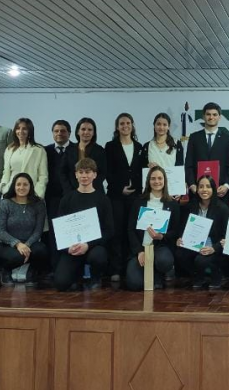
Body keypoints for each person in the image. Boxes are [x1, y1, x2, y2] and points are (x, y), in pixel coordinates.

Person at [54, 158, 114, 292]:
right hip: (72, 248)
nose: (84, 176)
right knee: (60, 284)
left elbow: (109, 231)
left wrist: (88, 245)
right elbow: (59, 230)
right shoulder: (67, 199)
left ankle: (95, 277)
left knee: (99, 256)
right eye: (80, 172)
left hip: (93, 248)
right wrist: (68, 248)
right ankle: (77, 275)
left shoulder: (103, 200)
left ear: (95, 175)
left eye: (88, 172)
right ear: (75, 175)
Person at [125, 166, 181, 291]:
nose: (157, 182)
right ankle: (146, 271)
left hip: (160, 247)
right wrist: (139, 251)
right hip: (141, 248)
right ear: (148, 181)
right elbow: (131, 229)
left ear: (165, 181)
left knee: (164, 261)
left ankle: (159, 273)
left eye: (160, 178)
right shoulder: (138, 202)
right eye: (153, 178)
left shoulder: (172, 204)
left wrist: (162, 236)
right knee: (134, 284)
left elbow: (176, 231)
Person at [106, 113, 147, 278]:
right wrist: (119, 188)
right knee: (117, 231)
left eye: (128, 123)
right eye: (121, 123)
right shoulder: (110, 146)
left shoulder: (139, 147)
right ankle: (116, 268)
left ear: (132, 125)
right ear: (117, 127)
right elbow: (108, 171)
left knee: (132, 230)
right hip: (116, 195)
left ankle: (131, 265)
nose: (125, 126)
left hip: (135, 196)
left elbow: (142, 171)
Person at [0, 173, 49, 286]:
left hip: (30, 243)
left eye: (25, 184)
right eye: (18, 184)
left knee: (42, 250)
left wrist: (27, 245)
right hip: (7, 244)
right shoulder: (5, 203)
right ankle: (5, 270)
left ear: (30, 186)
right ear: (13, 186)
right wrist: (18, 244)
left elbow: (38, 231)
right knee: (18, 256)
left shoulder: (38, 204)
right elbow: (0, 231)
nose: (21, 187)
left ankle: (32, 271)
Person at [178, 175, 229, 290]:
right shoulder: (190, 207)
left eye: (208, 186)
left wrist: (214, 248)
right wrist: (180, 239)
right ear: (197, 189)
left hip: (213, 246)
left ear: (213, 189)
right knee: (180, 254)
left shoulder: (222, 208)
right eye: (201, 186)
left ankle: (216, 274)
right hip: (193, 244)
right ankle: (198, 276)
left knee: (200, 260)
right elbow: (183, 229)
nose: (204, 190)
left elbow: (227, 236)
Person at [184, 102, 229, 199]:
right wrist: (192, 185)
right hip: (198, 191)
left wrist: (226, 185)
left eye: (214, 114)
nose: (211, 117)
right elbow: (189, 164)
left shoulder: (228, 138)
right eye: (208, 114)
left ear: (219, 117)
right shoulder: (194, 137)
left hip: (220, 191)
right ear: (203, 116)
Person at [0, 117, 49, 200]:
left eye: (24, 129)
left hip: (31, 195)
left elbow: (43, 176)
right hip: (10, 193)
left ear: (30, 131)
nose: (20, 131)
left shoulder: (38, 150)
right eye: (18, 128)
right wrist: (4, 187)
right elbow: (6, 172)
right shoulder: (9, 149)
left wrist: (37, 194)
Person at [44, 120, 72, 246]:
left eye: (63, 131)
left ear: (69, 133)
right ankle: (53, 264)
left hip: (72, 197)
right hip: (51, 199)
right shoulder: (45, 151)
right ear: (52, 133)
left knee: (71, 230)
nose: (59, 133)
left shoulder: (76, 149)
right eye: (56, 131)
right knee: (52, 232)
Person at [60, 117, 107, 193]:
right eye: (83, 129)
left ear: (94, 133)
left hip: (94, 192)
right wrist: (69, 190)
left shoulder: (100, 150)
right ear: (78, 131)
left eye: (90, 130)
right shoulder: (69, 149)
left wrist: (89, 189)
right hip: (72, 192)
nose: (86, 132)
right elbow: (63, 172)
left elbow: (103, 172)